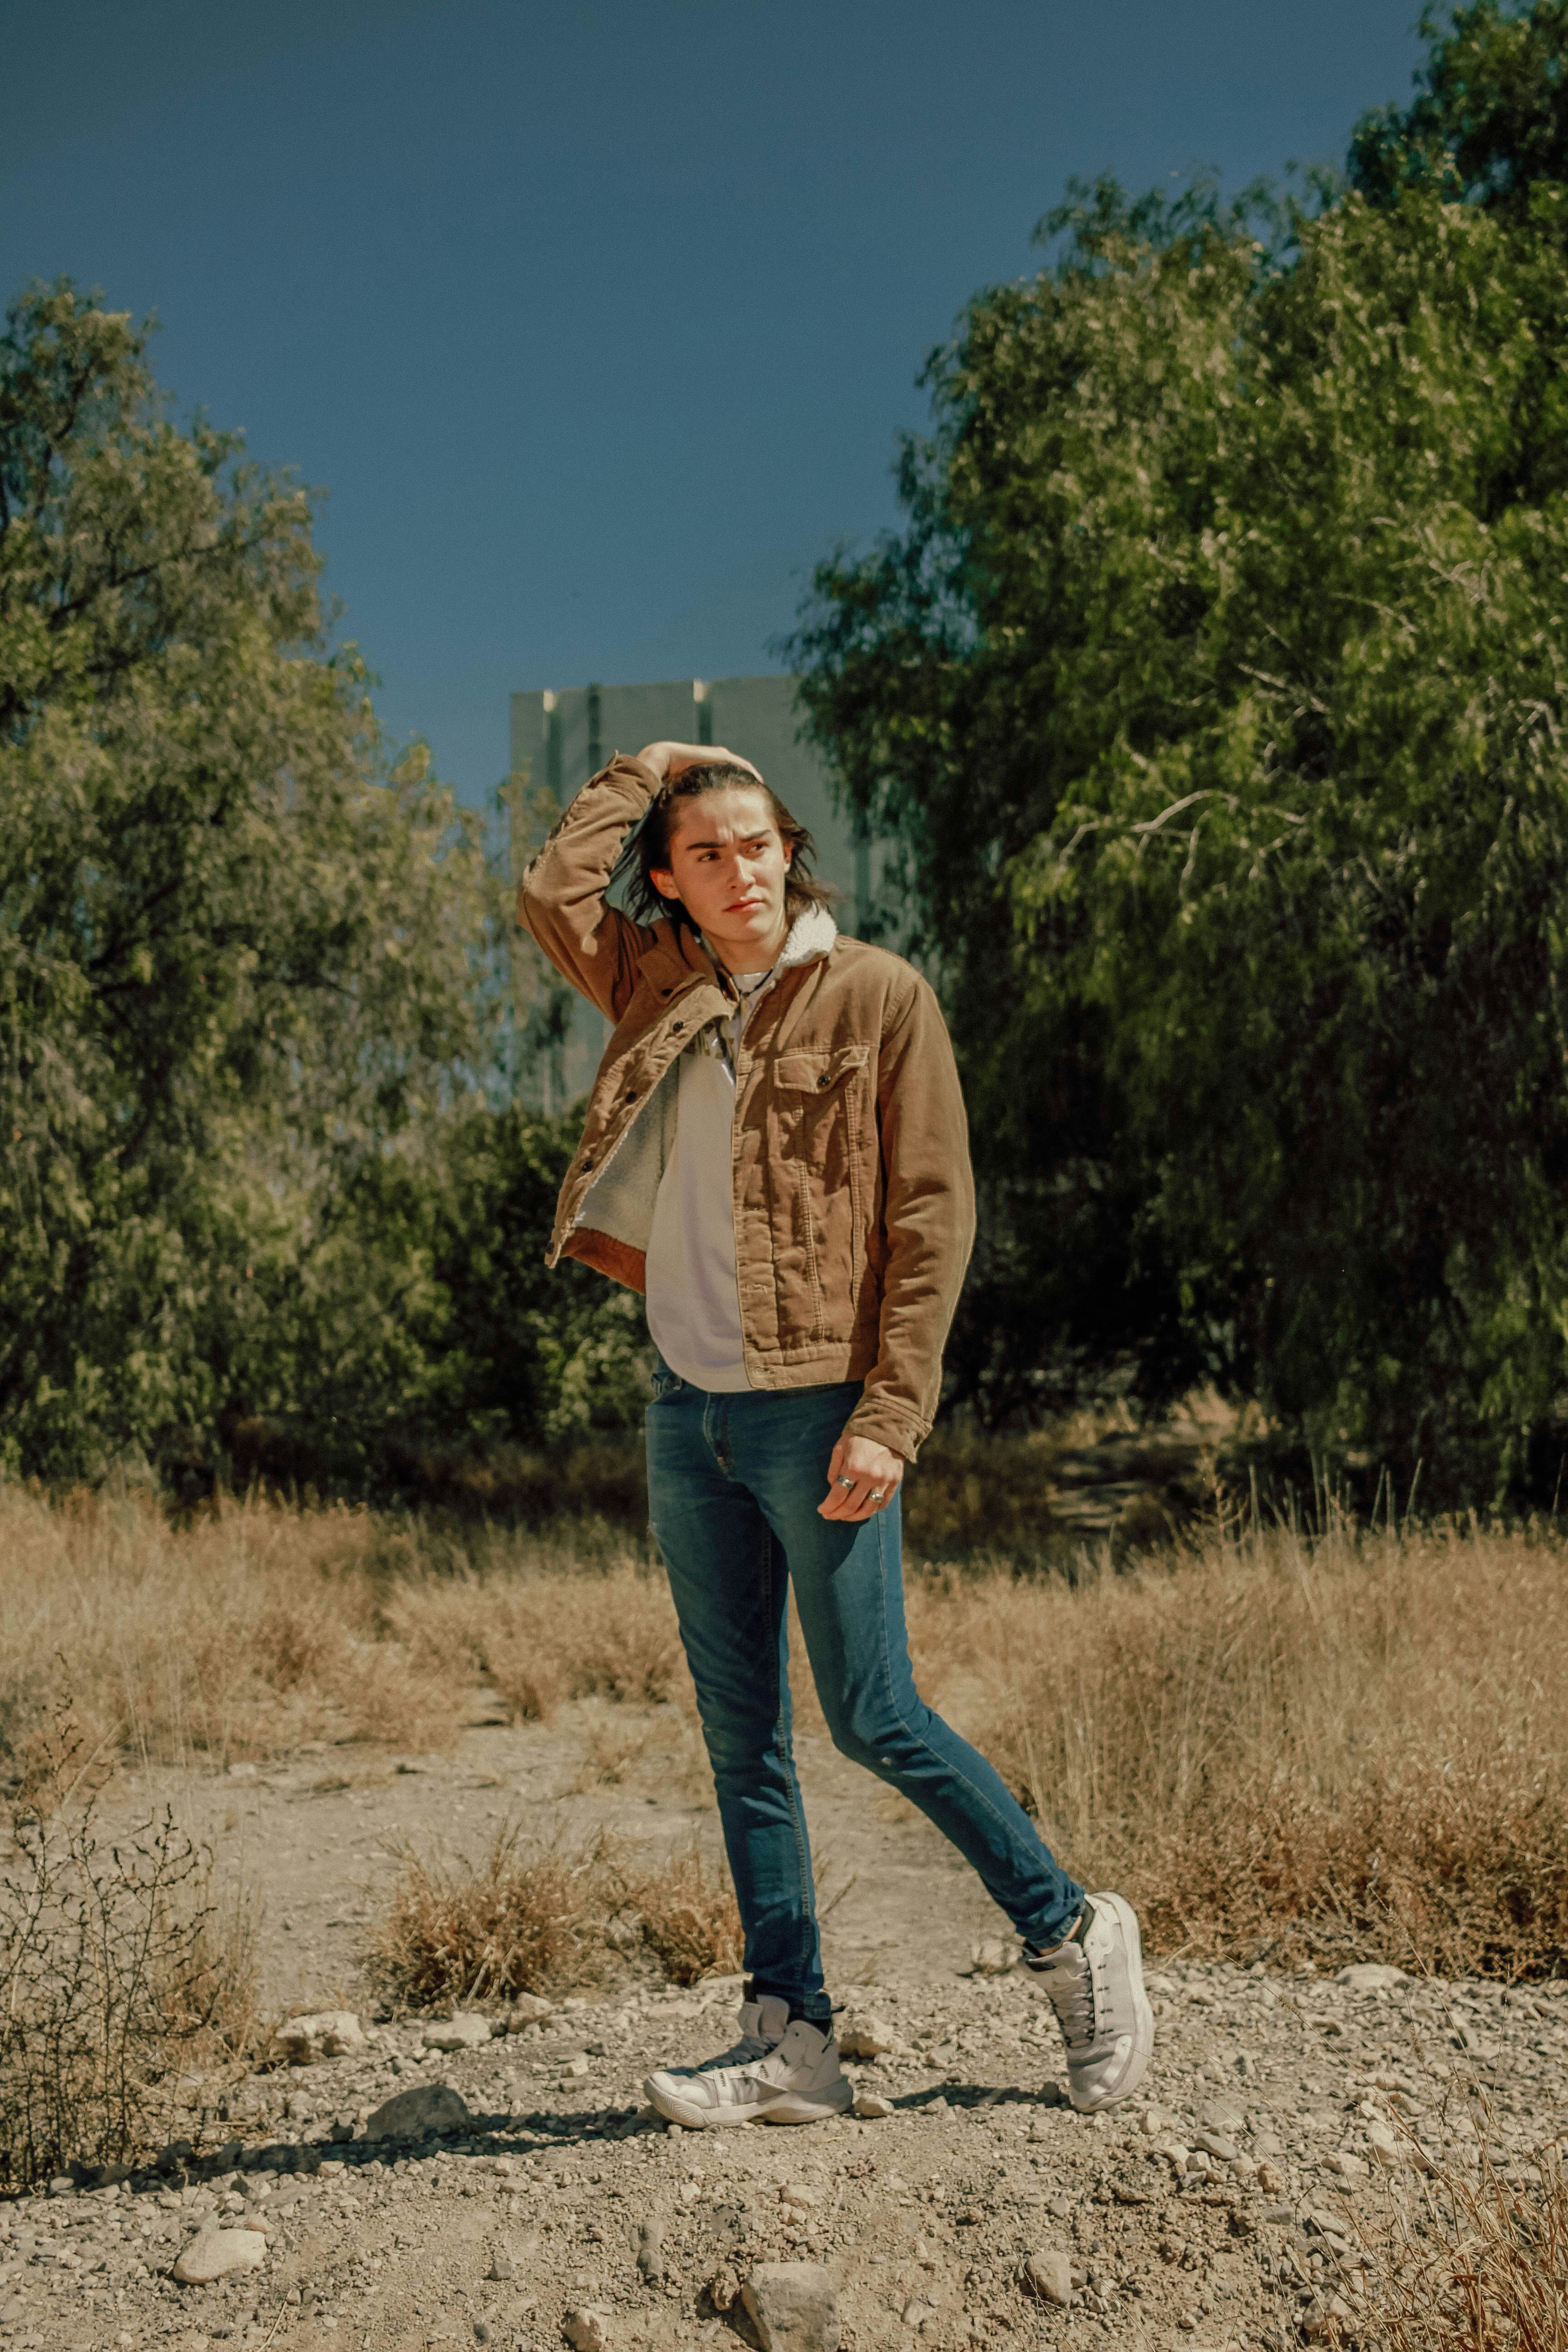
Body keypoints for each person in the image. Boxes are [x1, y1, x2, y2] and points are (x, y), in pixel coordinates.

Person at [518, 739, 1153, 2129]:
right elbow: (555, 894)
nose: (738, 870)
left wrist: (894, 1412)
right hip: (689, 1410)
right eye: (704, 854)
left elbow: (934, 1219)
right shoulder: (658, 986)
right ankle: (789, 2032)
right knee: (742, 1739)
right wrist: (658, 765)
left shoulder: (879, 997)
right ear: (674, 885)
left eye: (755, 843)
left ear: (788, 853)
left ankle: (1071, 1933)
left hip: (821, 1406)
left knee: (873, 1712)